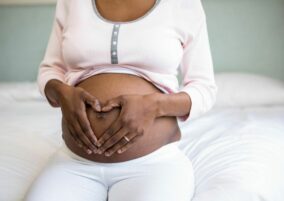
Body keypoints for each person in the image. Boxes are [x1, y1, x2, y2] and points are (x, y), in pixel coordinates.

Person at [24, 0, 217, 200]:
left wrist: (154, 106)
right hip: (74, 162)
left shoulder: (184, 4)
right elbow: (50, 69)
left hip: (154, 164)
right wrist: (62, 92)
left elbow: (204, 88)